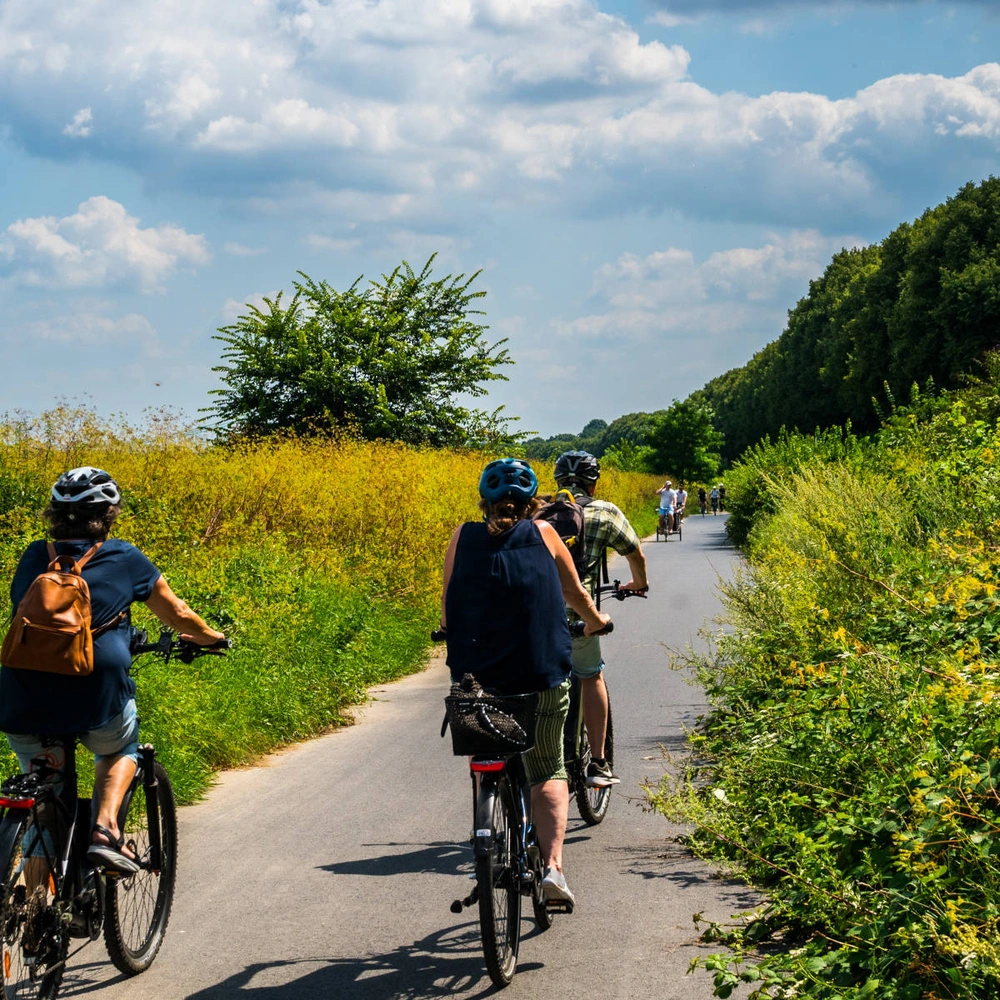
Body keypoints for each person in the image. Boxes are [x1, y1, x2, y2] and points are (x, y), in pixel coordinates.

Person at [0, 467, 226, 873]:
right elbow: (177, 613)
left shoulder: (35, 555)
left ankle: (30, 913)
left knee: (43, 799)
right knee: (119, 747)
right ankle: (105, 831)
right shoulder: (123, 556)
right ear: (108, 514)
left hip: (22, 692)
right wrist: (211, 637)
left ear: (55, 514)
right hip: (96, 691)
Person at [441, 458, 610, 906]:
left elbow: (448, 604)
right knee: (548, 766)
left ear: (485, 502)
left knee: (484, 752)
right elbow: (575, 594)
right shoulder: (545, 533)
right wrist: (596, 621)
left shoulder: (461, 537)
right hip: (539, 674)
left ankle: (488, 832)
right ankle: (553, 869)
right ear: (532, 502)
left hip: (475, 680)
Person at [554, 451, 648, 787]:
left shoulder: (537, 511)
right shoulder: (603, 511)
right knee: (591, 675)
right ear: (594, 481)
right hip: (579, 618)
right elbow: (634, 551)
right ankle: (597, 763)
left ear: (558, 481)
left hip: (538, 620)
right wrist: (638, 584)